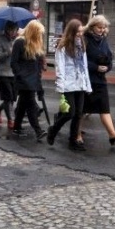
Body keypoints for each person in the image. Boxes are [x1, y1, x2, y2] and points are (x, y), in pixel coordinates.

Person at [83, 14, 115, 145]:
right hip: (87, 80)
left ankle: (112, 134)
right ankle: (77, 133)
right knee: (83, 108)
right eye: (99, 27)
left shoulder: (104, 41)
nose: (102, 30)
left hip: (100, 80)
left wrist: (107, 67)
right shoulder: (85, 40)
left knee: (104, 108)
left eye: (104, 28)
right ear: (92, 27)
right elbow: (81, 61)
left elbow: (109, 58)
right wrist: (95, 67)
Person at [46, 19, 91, 151]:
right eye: (77, 32)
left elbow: (85, 66)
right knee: (69, 113)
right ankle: (53, 130)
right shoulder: (63, 47)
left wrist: (88, 85)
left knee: (78, 114)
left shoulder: (82, 45)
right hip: (68, 84)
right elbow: (60, 68)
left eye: (81, 32)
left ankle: (73, 140)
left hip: (80, 83)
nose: (80, 34)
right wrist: (61, 86)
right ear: (71, 32)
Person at [10, 20, 48, 141]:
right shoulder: (20, 42)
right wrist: (20, 75)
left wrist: (39, 85)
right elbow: (13, 63)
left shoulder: (35, 45)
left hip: (32, 80)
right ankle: (38, 130)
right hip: (23, 80)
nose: (40, 36)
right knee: (31, 105)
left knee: (23, 104)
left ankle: (16, 126)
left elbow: (37, 67)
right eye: (39, 33)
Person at [0, 21, 19, 130]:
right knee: (8, 97)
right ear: (7, 30)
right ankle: (10, 120)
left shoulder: (17, 40)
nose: (14, 33)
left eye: (15, 30)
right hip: (3, 73)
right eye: (12, 30)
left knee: (12, 98)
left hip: (14, 73)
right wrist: (9, 52)